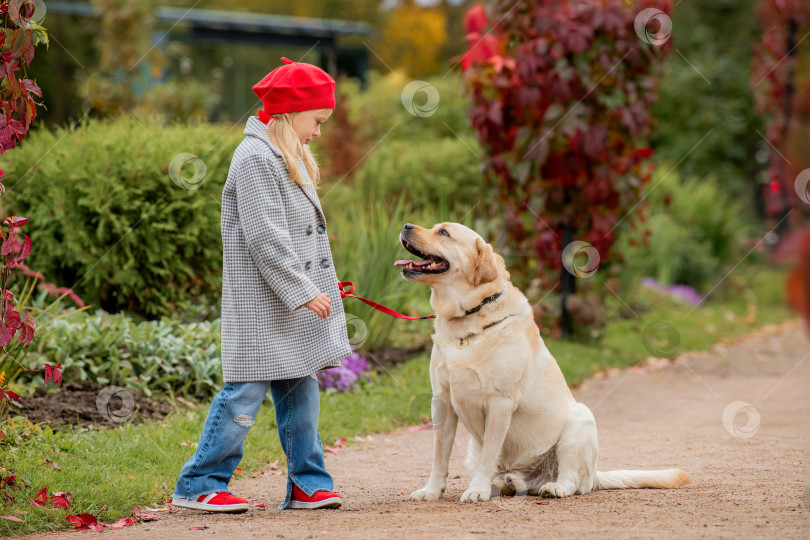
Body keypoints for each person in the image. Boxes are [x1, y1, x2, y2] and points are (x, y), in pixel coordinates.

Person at [169, 57, 353, 513]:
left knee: (301, 389)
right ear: (291, 113)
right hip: (261, 303)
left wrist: (311, 287)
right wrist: (303, 289)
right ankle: (199, 482)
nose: (319, 130)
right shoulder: (254, 159)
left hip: (288, 305)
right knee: (244, 393)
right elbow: (266, 237)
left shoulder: (285, 156)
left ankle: (308, 482)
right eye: (316, 120)